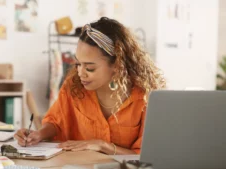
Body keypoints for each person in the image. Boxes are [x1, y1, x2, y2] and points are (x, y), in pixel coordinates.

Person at [14, 17, 166, 155]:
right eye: (78, 64)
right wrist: (39, 134)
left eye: (90, 68)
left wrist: (102, 146)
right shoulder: (74, 86)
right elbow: (56, 123)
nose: (80, 73)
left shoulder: (147, 96)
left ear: (117, 65)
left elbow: (147, 155)